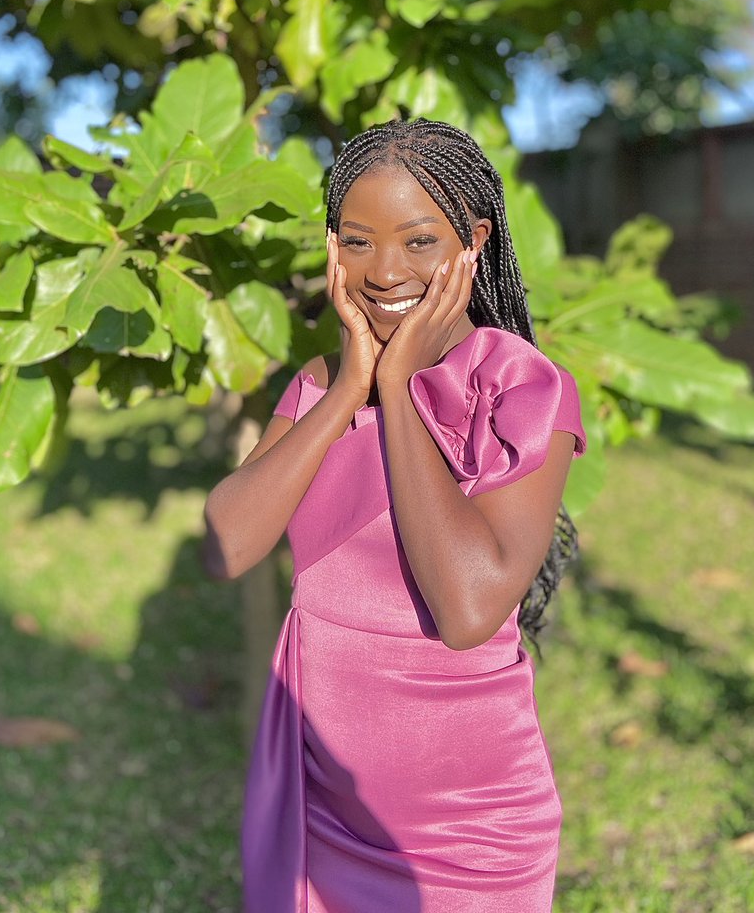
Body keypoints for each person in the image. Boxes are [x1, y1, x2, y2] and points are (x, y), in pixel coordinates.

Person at [202, 118, 587, 913]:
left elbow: (468, 607)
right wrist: (352, 384)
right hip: (318, 802)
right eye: (357, 241)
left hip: (466, 829)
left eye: (418, 241)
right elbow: (227, 546)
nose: (384, 272)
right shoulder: (319, 381)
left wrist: (400, 386)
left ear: (472, 240)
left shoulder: (522, 388)